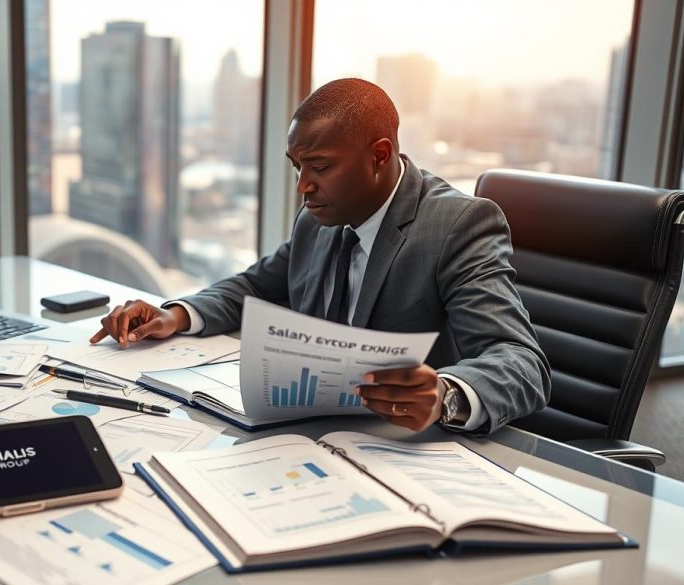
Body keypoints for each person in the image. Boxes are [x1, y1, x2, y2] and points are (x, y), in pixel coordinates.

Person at [89, 78, 550, 435]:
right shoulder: (320, 218)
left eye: (321, 167)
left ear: (379, 155)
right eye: (297, 167)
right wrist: (175, 315)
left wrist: (445, 394)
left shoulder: (457, 226)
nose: (303, 186)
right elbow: (254, 287)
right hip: (312, 437)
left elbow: (522, 362)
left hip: (408, 448)